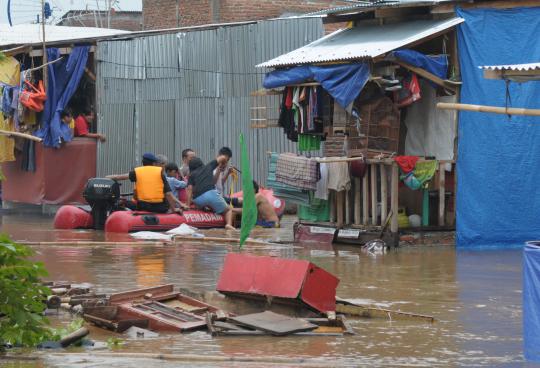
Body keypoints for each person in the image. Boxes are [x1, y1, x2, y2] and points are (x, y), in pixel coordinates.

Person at [107, 153, 180, 214]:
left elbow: (119, 177)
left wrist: (106, 177)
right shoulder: (160, 173)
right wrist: (173, 209)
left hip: (143, 207)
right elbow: (168, 194)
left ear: (142, 163)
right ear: (154, 163)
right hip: (159, 208)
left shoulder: (137, 172)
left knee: (130, 203)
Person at [186, 156, 235, 231]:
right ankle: (228, 224)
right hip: (210, 194)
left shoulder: (191, 175)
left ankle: (204, 208)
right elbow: (223, 157)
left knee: (200, 201)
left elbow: (189, 190)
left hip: (198, 200)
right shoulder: (208, 166)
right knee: (228, 209)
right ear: (201, 163)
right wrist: (223, 164)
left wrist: (188, 206)